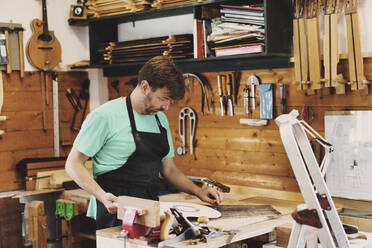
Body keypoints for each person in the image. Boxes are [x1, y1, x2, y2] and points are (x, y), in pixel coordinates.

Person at [65, 56, 223, 229]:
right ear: (145, 86)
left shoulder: (160, 120)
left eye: (171, 101)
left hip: (151, 211)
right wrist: (102, 196)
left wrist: (198, 191)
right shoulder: (105, 116)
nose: (166, 107)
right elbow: (73, 164)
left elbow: (169, 170)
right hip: (116, 210)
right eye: (164, 98)